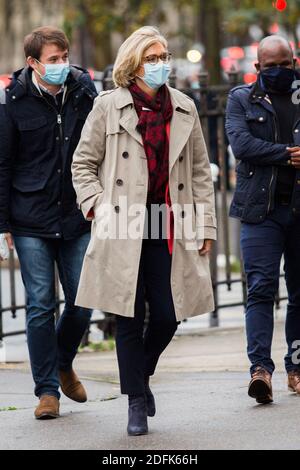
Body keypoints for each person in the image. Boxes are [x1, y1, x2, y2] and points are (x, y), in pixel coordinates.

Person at [72, 26, 216, 435]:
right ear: (134, 63)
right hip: (123, 221)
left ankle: (141, 375)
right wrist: (97, 205)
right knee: (128, 314)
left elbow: (202, 175)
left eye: (164, 56)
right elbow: (82, 165)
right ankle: (135, 401)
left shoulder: (184, 107)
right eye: (152, 58)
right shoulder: (108, 107)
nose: (161, 64)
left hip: (167, 220)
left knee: (169, 315)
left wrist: (205, 224)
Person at [0, 26, 98, 419]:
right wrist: (3, 222)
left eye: (64, 57)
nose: (61, 65)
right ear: (33, 63)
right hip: (29, 218)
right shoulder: (13, 100)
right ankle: (47, 392)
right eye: (52, 59)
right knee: (41, 304)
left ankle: (61, 360)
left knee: (84, 300)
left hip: (76, 213)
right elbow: (3, 163)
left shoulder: (84, 92)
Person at [226, 35, 300, 404]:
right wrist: (287, 154)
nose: (278, 71)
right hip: (260, 212)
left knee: (299, 293)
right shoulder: (241, 98)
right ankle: (261, 370)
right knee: (260, 290)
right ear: (257, 68)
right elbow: (241, 145)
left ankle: (296, 367)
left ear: (295, 61)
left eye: (284, 64)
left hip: (298, 210)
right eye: (270, 66)